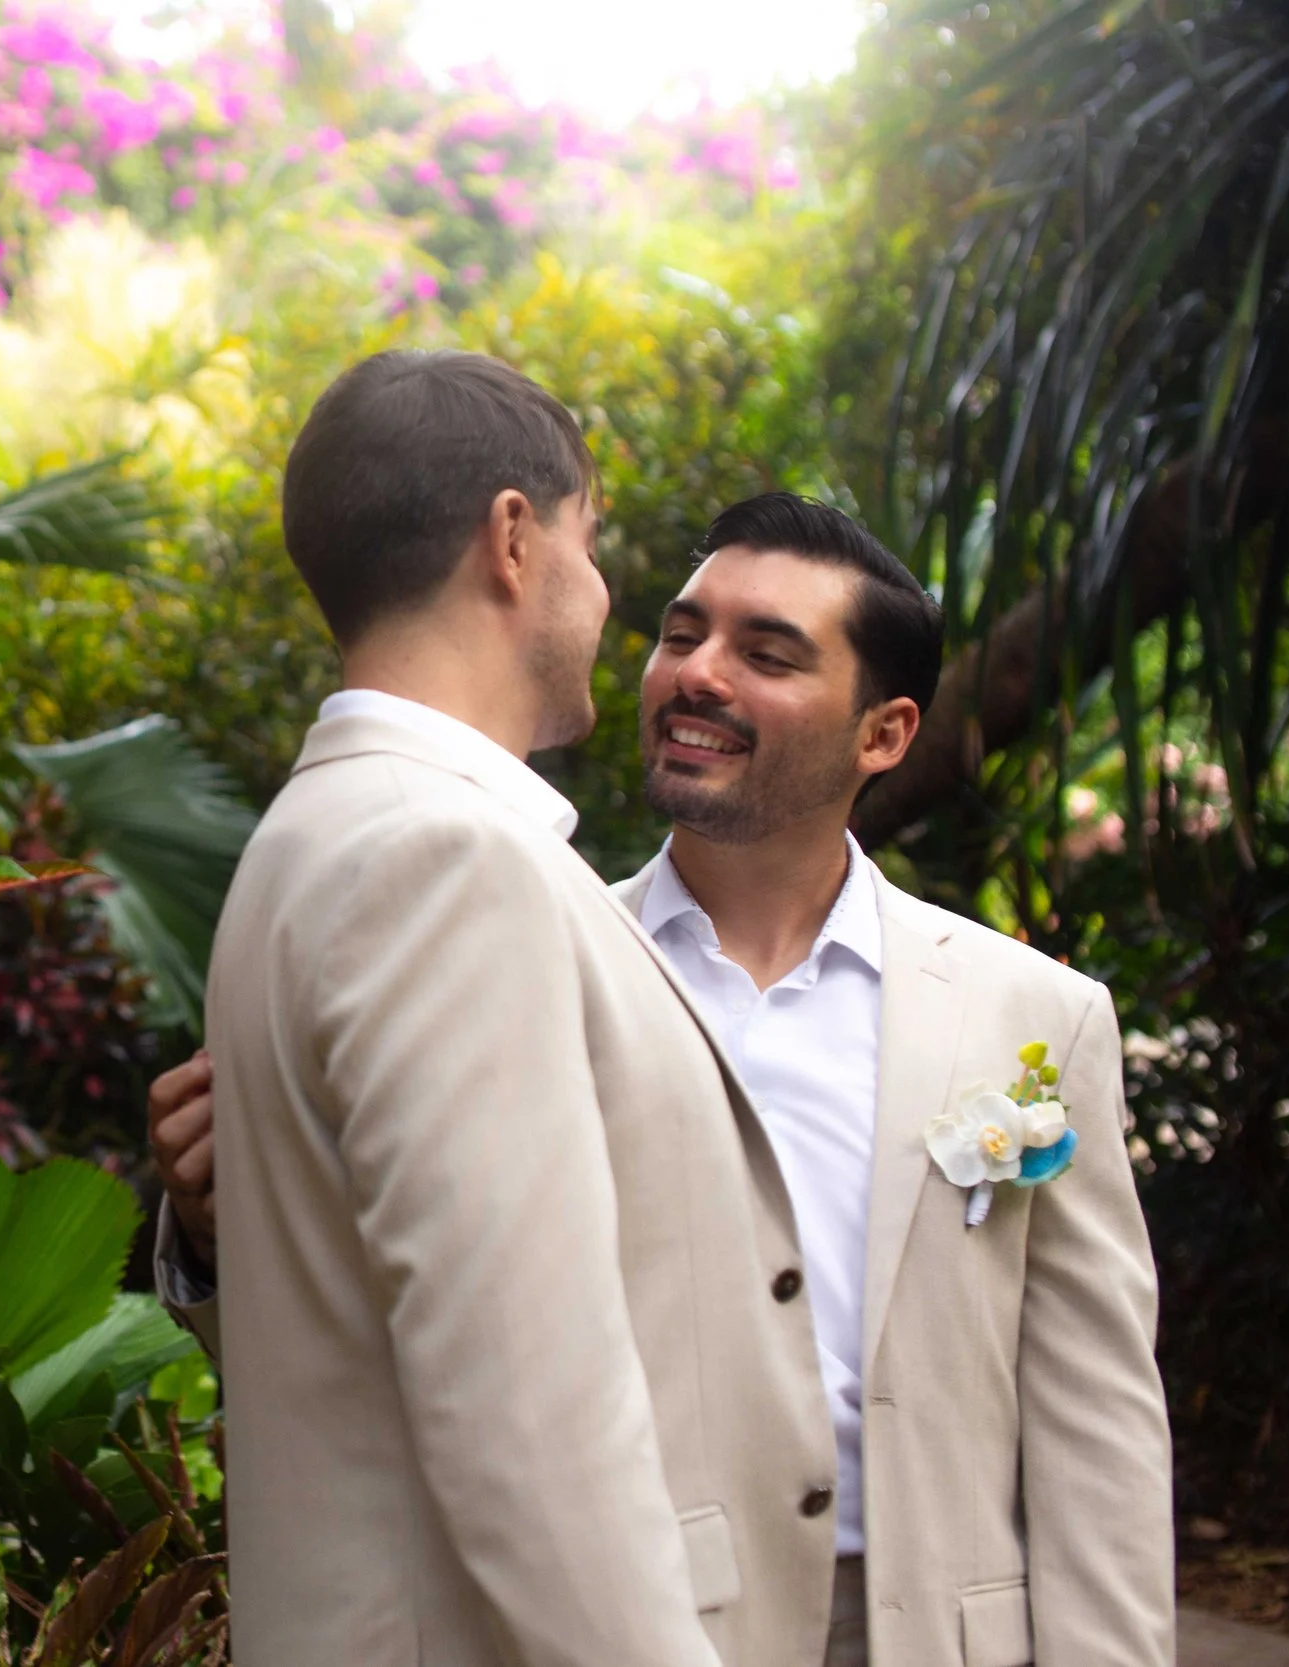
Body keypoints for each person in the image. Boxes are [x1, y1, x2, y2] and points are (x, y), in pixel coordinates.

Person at [152, 490, 1173, 1667]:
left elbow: (1097, 1418)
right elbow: (394, 1358)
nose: (696, 673)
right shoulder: (500, 950)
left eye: (766, 652)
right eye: (682, 634)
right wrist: (219, 1232)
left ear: (883, 733)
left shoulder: (1034, 1016)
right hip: (630, 1617)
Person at [200, 351, 837, 1667]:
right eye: (592, 544)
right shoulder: (447, 858)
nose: (603, 594)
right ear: (511, 536)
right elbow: (530, 1411)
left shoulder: (319, 830)